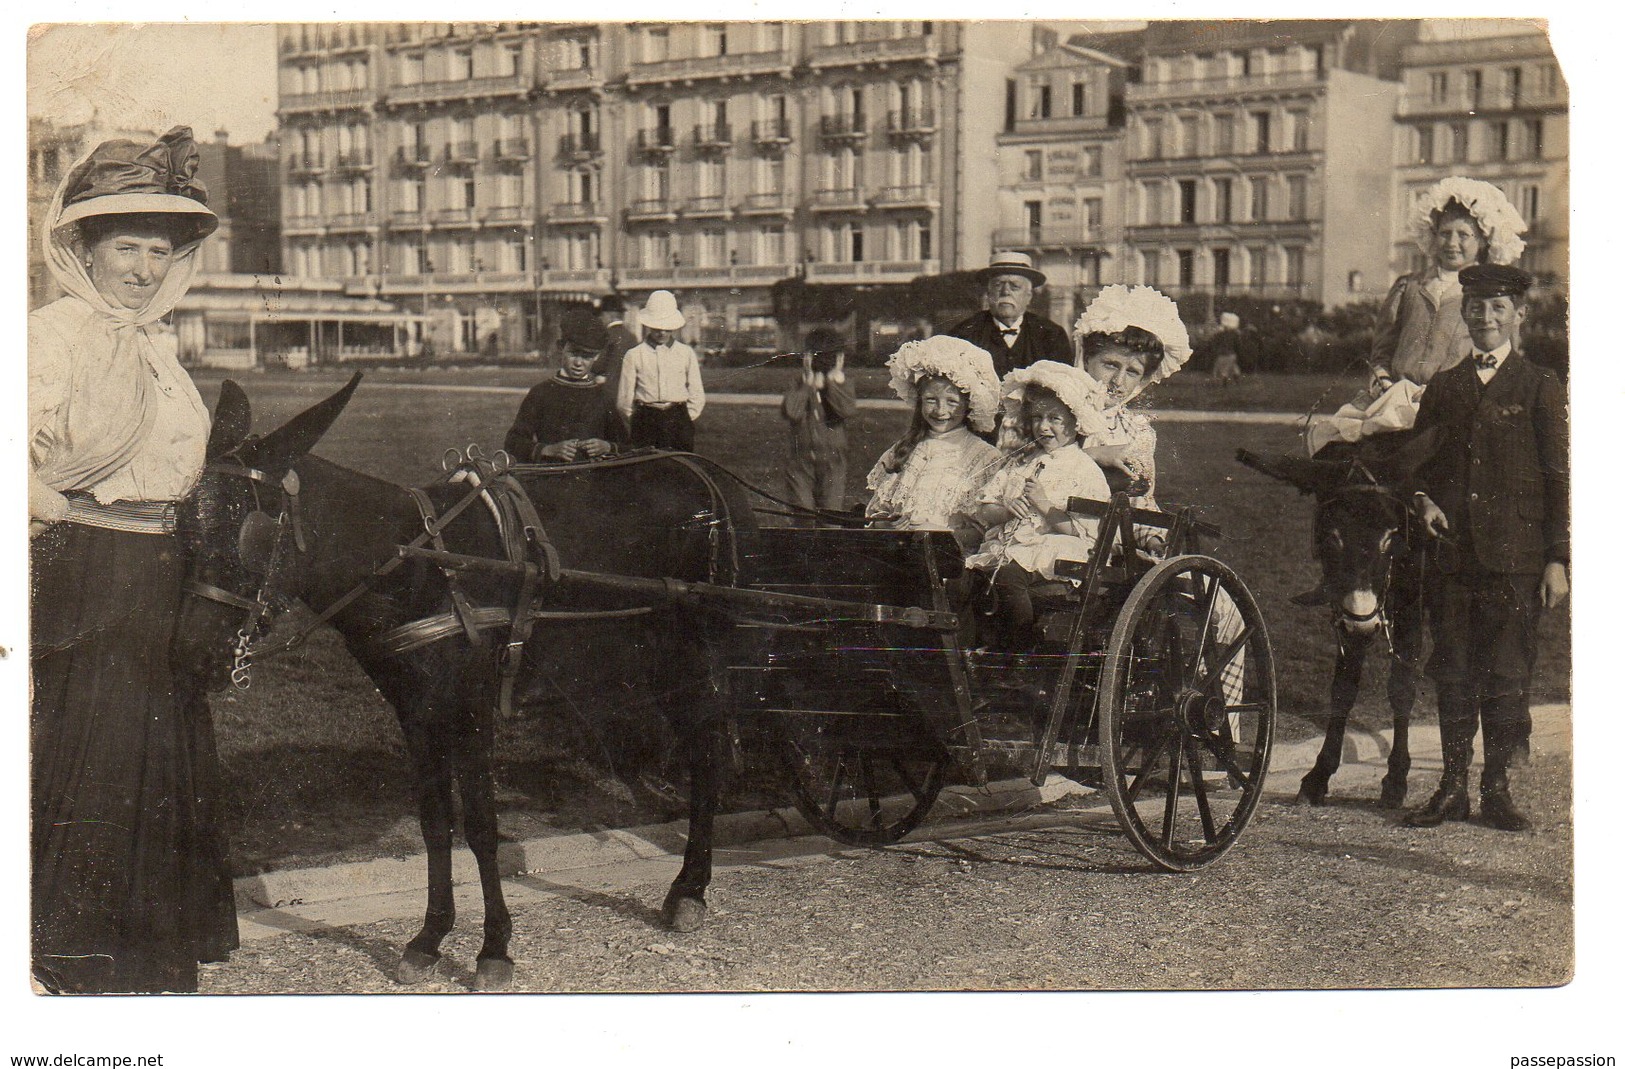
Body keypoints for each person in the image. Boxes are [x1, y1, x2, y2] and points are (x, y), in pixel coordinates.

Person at [29, 126, 238, 993]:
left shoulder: (158, 343)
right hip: (90, 568)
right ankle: (73, 953)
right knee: (101, 750)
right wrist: (43, 502)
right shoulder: (54, 335)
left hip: (163, 571)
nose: (145, 268)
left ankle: (152, 948)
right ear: (84, 246)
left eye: (160, 249)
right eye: (127, 247)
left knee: (166, 755)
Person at [1404, 264, 1568, 833]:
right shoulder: (1446, 386)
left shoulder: (1540, 384)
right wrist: (1423, 499)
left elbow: (1559, 476)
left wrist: (1557, 558)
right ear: (1464, 313)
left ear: (1519, 315)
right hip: (1454, 554)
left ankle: (1495, 787)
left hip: (1517, 558)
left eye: (1499, 308)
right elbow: (1416, 463)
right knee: (1453, 669)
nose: (1487, 318)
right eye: (1476, 307)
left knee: (1505, 673)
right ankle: (1452, 787)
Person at [1308, 177, 1527, 454]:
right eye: (1444, 233)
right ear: (1432, 235)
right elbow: (1382, 350)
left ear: (1483, 241)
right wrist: (1385, 383)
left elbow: (1504, 359)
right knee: (1343, 452)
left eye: (1463, 235)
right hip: (1393, 399)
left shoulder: (1491, 297)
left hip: (1454, 405)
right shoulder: (1409, 286)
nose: (1451, 243)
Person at [964, 361, 1112, 651]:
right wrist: (1006, 510)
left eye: (1055, 419)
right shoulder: (1020, 461)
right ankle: (973, 654)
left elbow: (1084, 534)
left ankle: (1021, 650)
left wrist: (1044, 505)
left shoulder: (1083, 469)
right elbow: (985, 508)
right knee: (966, 580)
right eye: (1037, 418)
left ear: (1075, 421)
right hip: (1012, 547)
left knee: (1008, 577)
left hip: (1060, 548)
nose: (1044, 427)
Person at [1071, 284, 1194, 520]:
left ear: (1142, 379)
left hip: (1108, 536)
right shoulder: (1054, 411)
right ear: (1087, 360)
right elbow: (1024, 476)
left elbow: (1141, 499)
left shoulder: (1136, 432)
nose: (1117, 381)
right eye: (1110, 365)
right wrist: (1092, 456)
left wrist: (1150, 535)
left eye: (1132, 372)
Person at [864, 334, 1003, 537]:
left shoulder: (985, 458)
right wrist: (885, 525)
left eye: (952, 402)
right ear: (919, 400)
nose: (940, 411)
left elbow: (986, 532)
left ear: (968, 405)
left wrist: (941, 533)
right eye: (931, 400)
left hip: (949, 559)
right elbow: (876, 513)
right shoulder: (905, 448)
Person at [504, 306, 626, 463]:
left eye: (587, 357)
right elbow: (513, 442)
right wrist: (548, 450)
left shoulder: (602, 396)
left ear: (596, 357)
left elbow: (625, 444)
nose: (578, 363)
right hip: (552, 478)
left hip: (594, 481)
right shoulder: (541, 393)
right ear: (561, 347)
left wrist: (608, 447)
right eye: (574, 353)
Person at [946, 251, 1074, 378]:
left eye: (1015, 286)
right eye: (998, 285)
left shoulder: (1052, 335)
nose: (1005, 292)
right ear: (989, 294)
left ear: (1028, 296)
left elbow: (1063, 387)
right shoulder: (963, 334)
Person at [780, 327, 859, 520]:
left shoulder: (842, 384)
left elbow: (847, 410)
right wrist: (807, 384)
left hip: (833, 461)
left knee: (831, 517)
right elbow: (791, 412)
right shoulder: (799, 383)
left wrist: (832, 382)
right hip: (801, 460)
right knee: (802, 514)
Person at [615, 290, 705, 451]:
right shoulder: (635, 355)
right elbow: (624, 399)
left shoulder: (685, 353)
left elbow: (697, 393)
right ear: (648, 325)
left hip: (678, 418)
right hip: (646, 419)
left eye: (667, 328)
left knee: (680, 468)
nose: (662, 332)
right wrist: (638, 419)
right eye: (657, 327)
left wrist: (684, 417)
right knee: (646, 468)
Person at [593, 293, 637, 404]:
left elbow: (598, 365)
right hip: (629, 394)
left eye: (601, 315)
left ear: (608, 315)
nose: (600, 319)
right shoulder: (632, 337)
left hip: (608, 393)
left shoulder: (606, 336)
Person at [1208, 311, 1245, 386]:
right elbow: (1238, 345)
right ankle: (1236, 379)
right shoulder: (1235, 335)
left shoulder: (1219, 335)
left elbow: (1214, 342)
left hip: (1222, 354)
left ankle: (1224, 382)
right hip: (1232, 354)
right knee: (1233, 367)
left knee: (1222, 369)